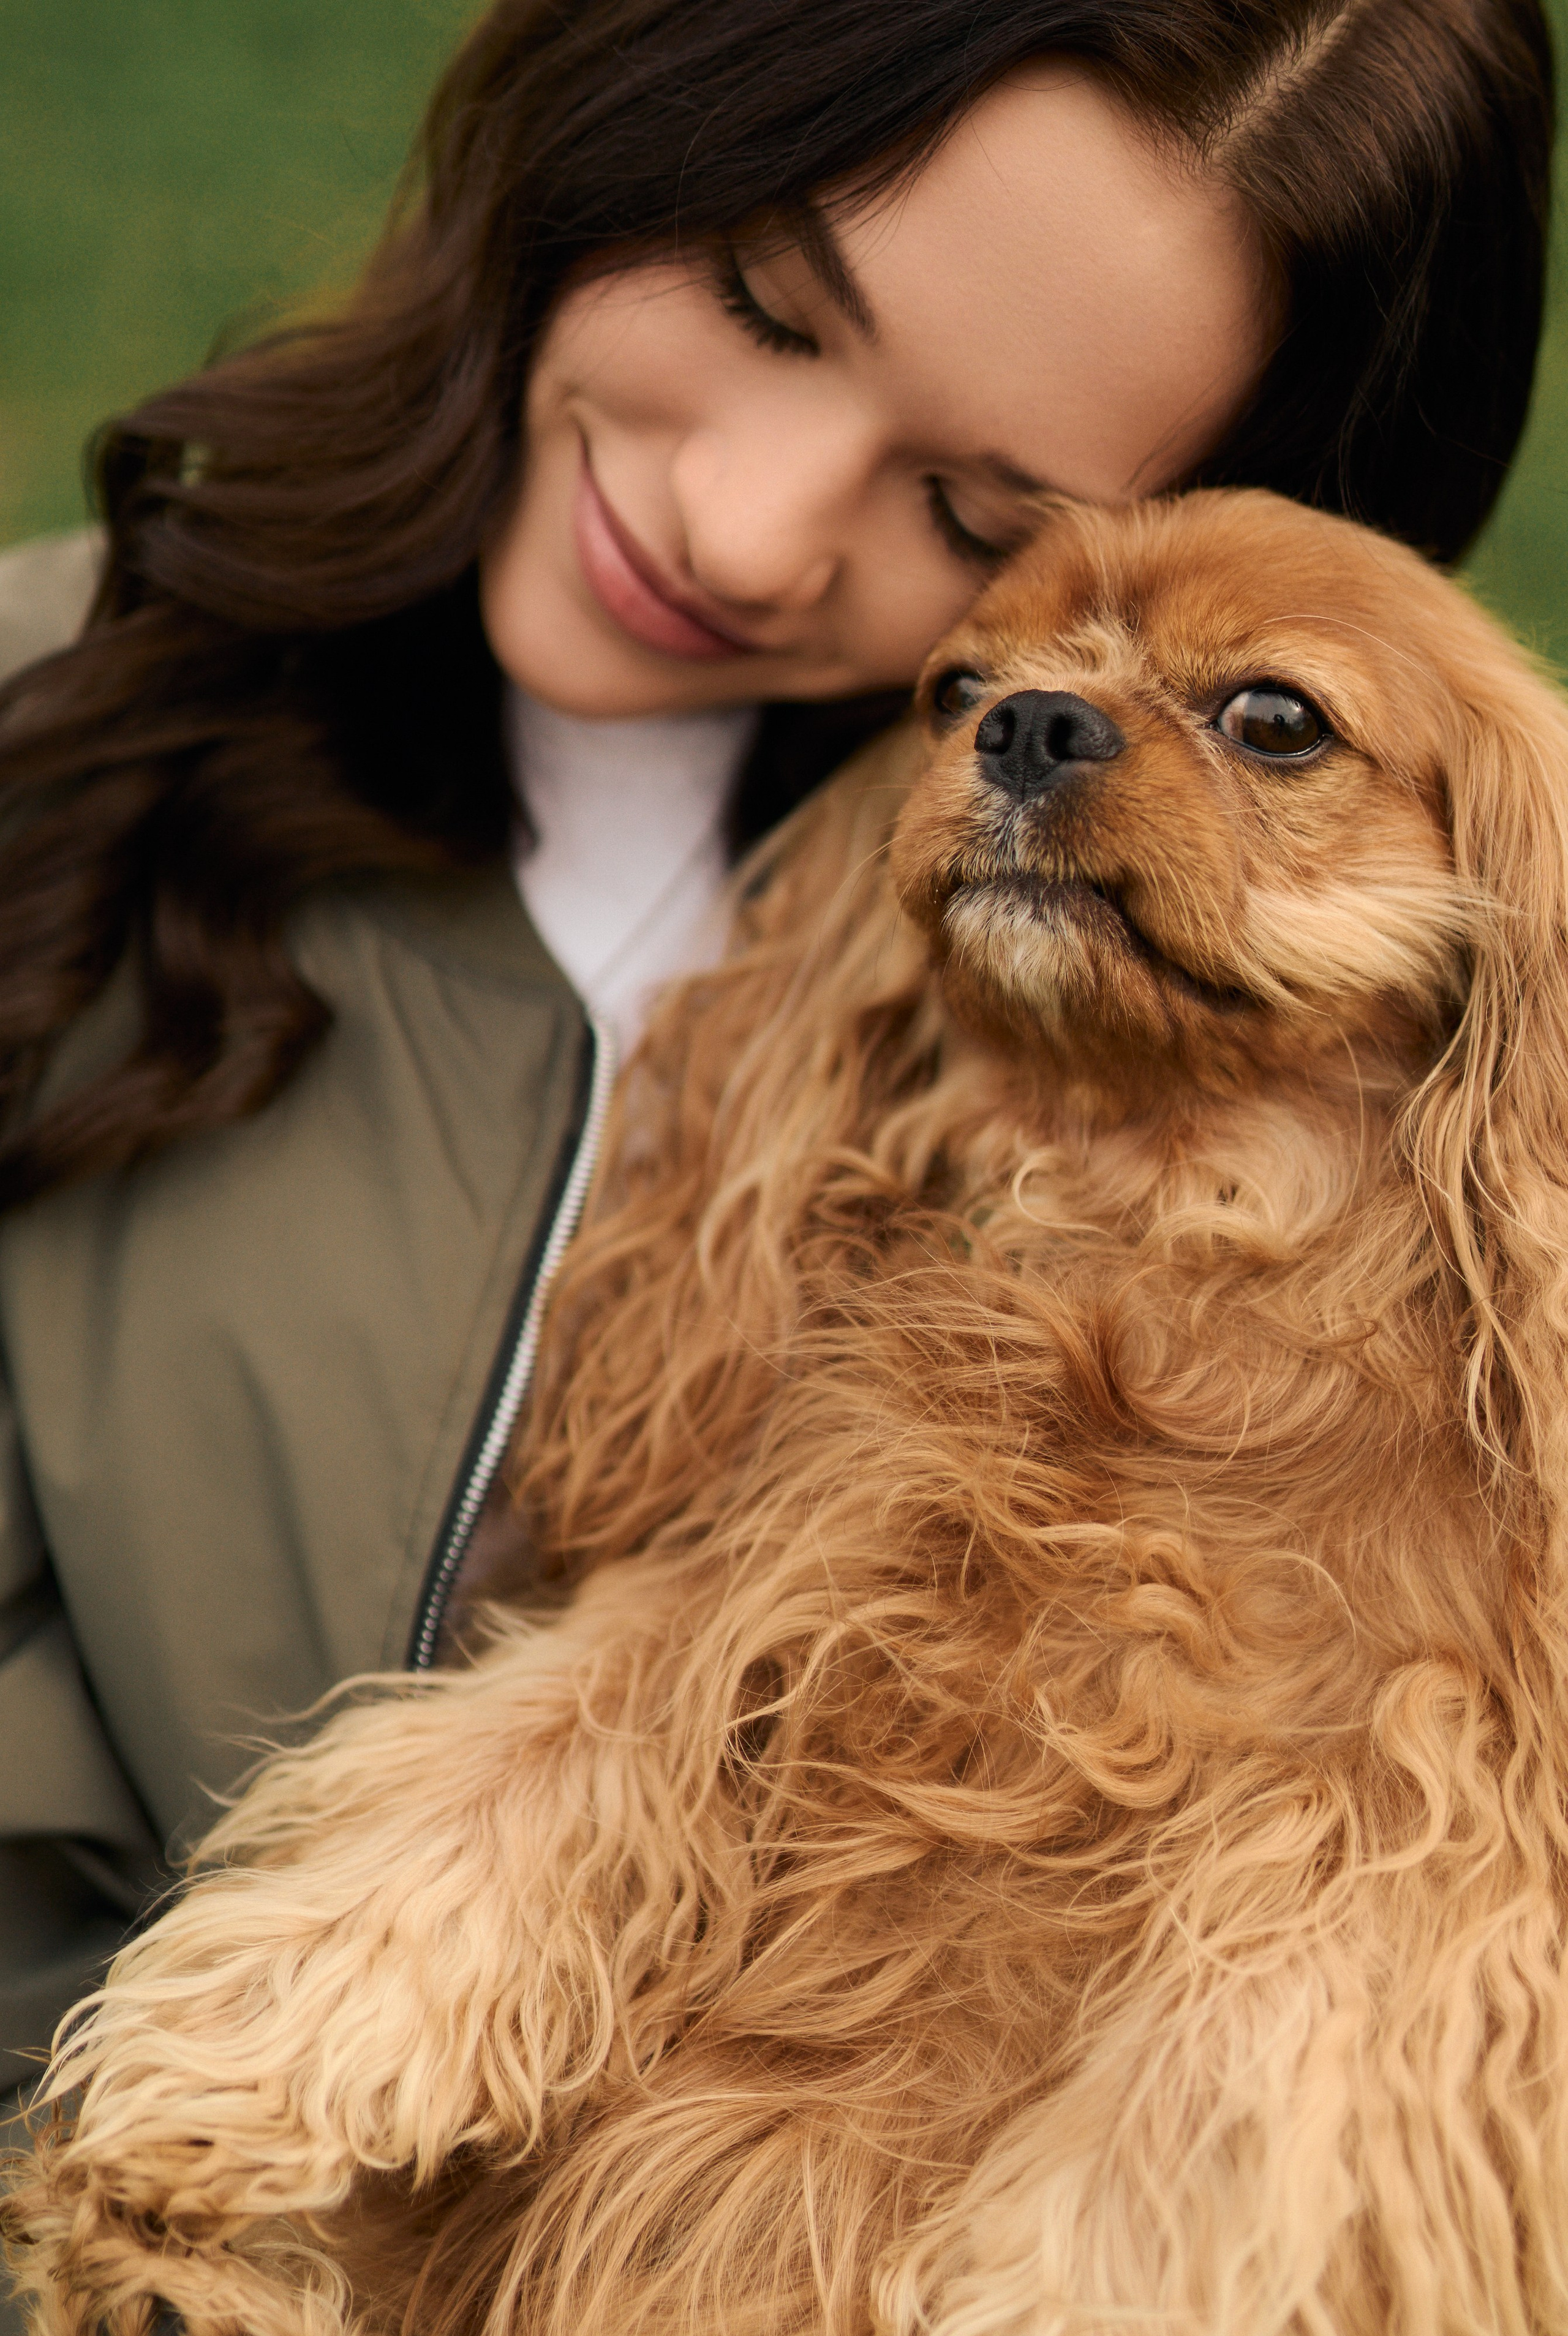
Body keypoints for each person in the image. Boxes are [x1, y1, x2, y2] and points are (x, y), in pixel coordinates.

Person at [0, 0, 1551, 2165]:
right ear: (627, 103)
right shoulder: (32, 747)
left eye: (978, 511)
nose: (739, 531)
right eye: (754, 300)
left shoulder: (1326, 1107)